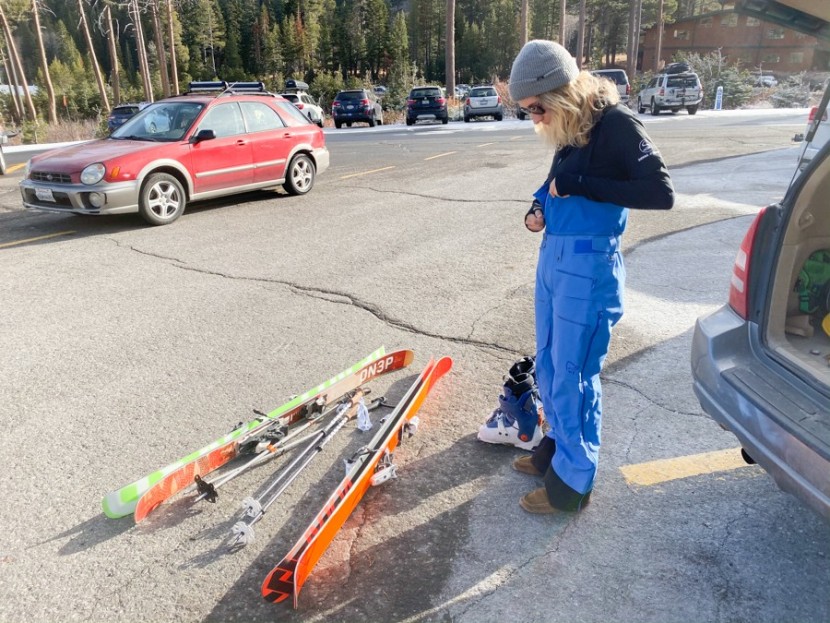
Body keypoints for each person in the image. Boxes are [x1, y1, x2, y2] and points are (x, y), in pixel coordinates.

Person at [502, 40, 675, 514]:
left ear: (560, 93)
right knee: (551, 366)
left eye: (537, 108)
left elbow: (660, 193)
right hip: (554, 260)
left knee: (574, 375)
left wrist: (579, 186)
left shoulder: (616, 124)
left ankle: (573, 486)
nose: (534, 118)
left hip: (589, 266)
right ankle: (556, 449)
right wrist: (538, 208)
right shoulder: (571, 127)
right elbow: (557, 180)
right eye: (528, 111)